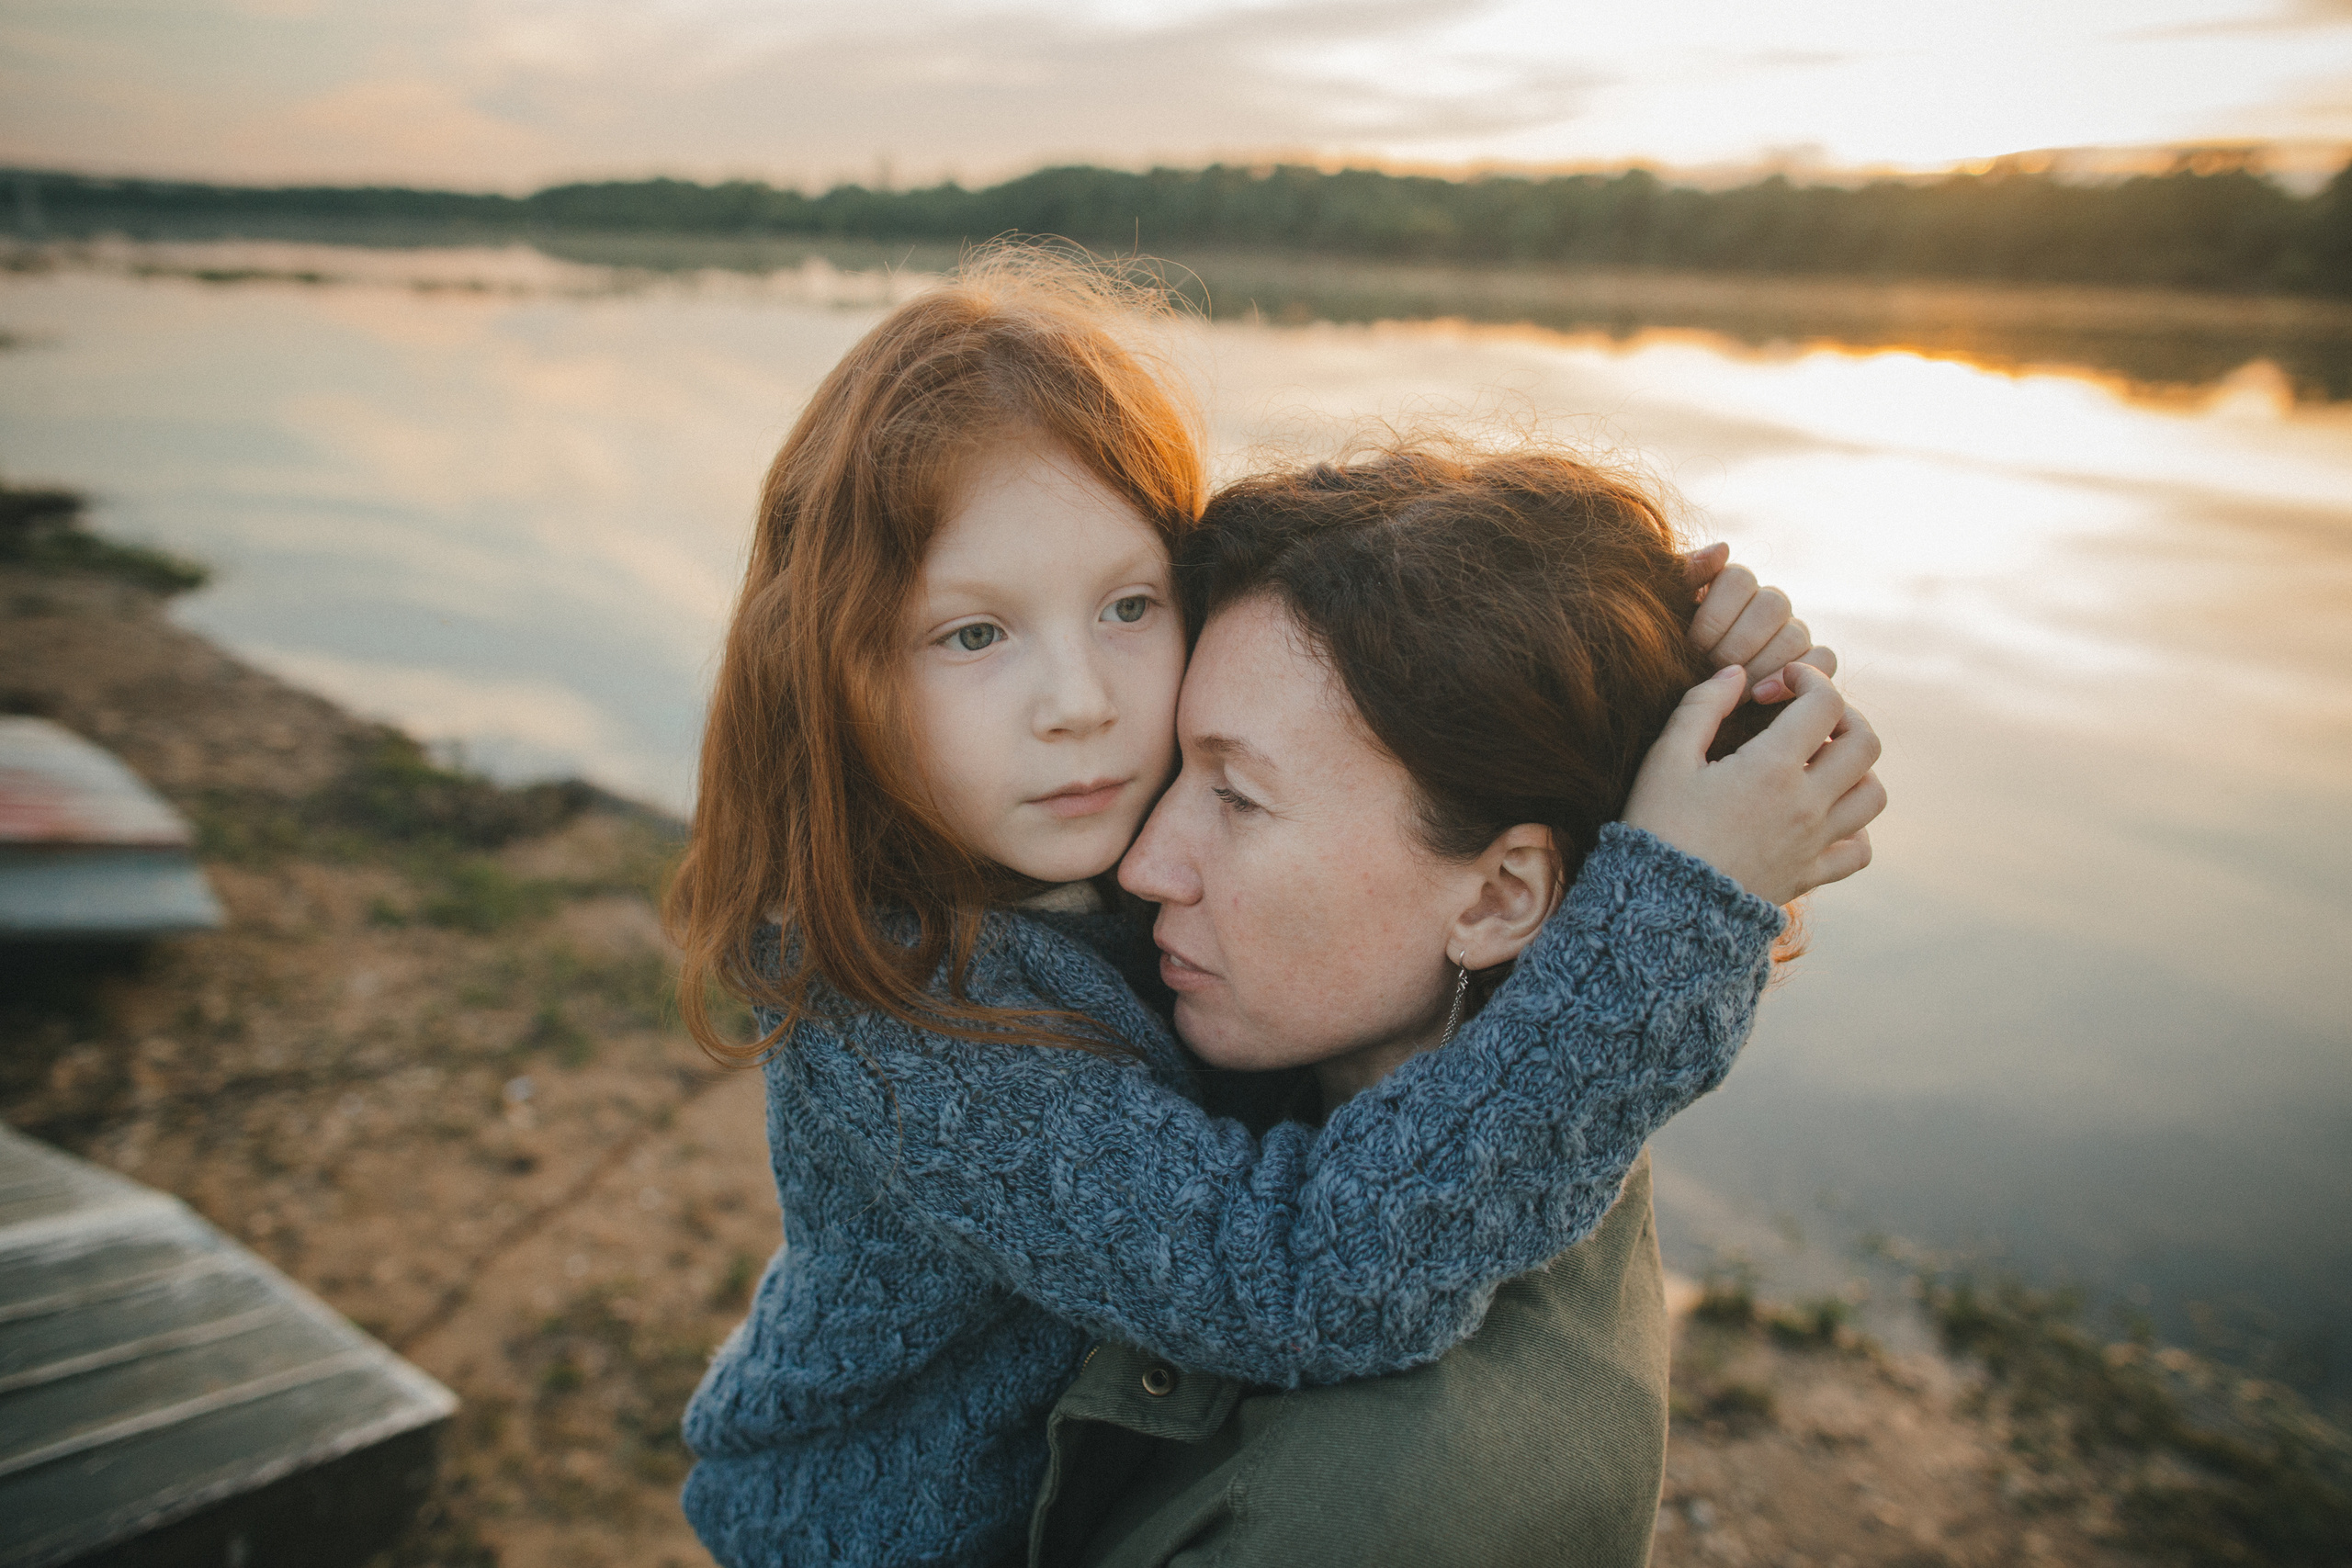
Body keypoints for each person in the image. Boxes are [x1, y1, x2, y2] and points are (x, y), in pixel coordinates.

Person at [664, 252, 1878, 1568]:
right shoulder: (909, 1014)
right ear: (834, 672)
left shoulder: (1092, 820)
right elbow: (1284, 1279)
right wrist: (1685, 908)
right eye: (974, 634)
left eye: (1129, 604)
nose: (1079, 697)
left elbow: (1393, 735)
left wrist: (1671, 671)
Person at [1027, 446, 1882, 1566]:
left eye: (1234, 795)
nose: (1143, 866)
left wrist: (1688, 893)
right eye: (1173, 768)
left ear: (1498, 897)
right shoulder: (1521, 1124)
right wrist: (1634, 639)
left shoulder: (1373, 1518)